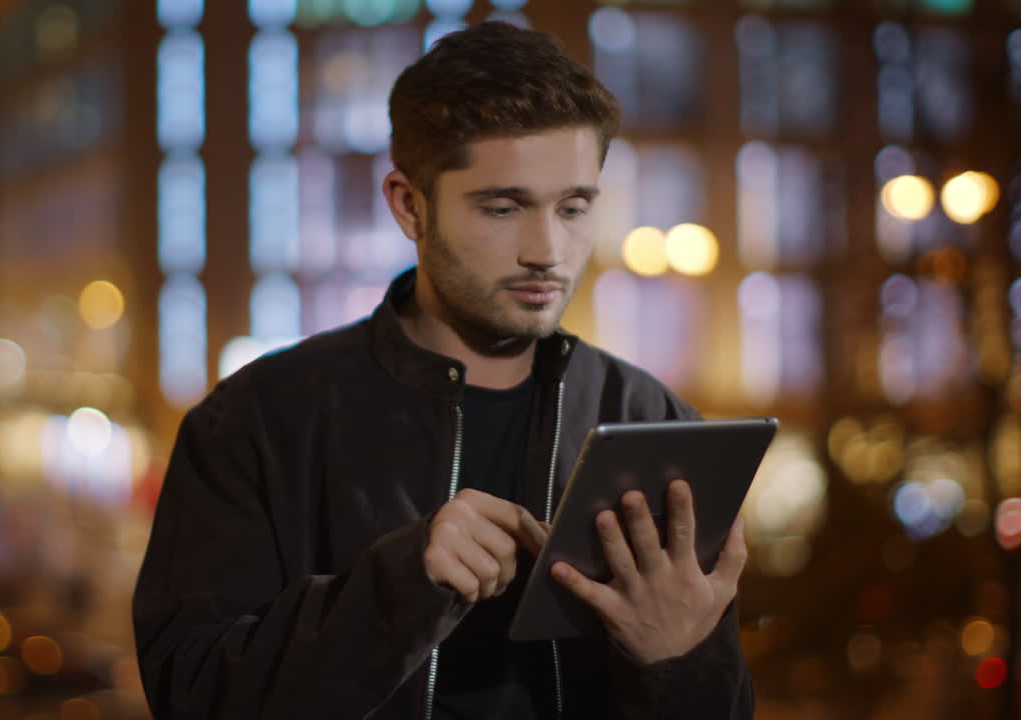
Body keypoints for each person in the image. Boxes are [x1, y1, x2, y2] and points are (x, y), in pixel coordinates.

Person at [133, 21, 753, 720]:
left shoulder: (652, 420)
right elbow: (194, 696)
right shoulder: (255, 421)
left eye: (573, 207)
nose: (546, 250)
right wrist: (399, 587)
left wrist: (678, 660)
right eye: (503, 206)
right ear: (409, 205)